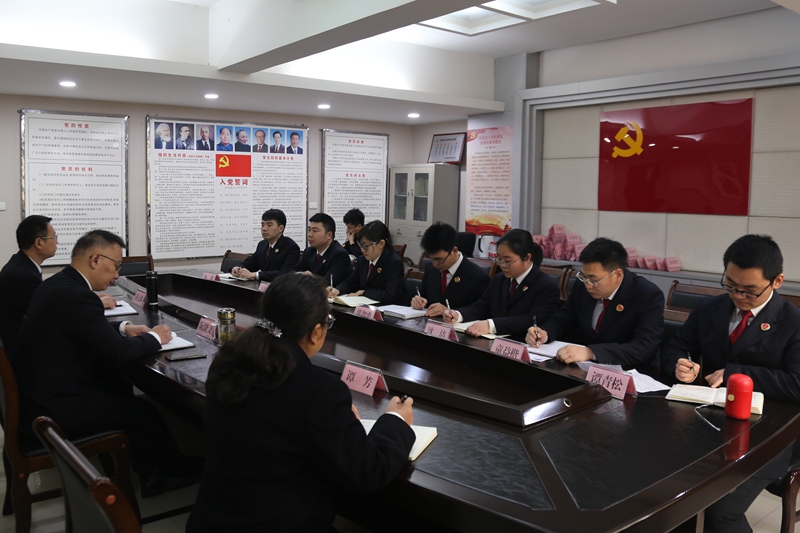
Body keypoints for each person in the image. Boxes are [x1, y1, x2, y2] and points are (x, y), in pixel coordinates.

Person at [185, 274, 414, 532]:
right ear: (316, 332)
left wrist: (336, 419)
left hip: (211, 521)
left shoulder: (229, 360)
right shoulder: (318, 390)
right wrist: (396, 419)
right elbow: (369, 472)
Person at [15, 230, 201, 497]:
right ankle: (161, 475)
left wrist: (124, 328)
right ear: (95, 259)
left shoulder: (58, 284)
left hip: (39, 394)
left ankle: (148, 463)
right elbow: (117, 352)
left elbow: (84, 330)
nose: (116, 276)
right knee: (141, 411)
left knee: (117, 384)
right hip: (54, 408)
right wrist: (154, 337)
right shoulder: (77, 295)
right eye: (115, 266)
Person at [661, 234, 800, 533]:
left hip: (769, 434)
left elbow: (797, 384)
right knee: (665, 488)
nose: (738, 296)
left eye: (750, 290)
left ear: (777, 281)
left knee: (720, 511)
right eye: (731, 285)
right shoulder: (709, 308)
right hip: (706, 424)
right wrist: (680, 364)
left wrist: (735, 373)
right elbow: (676, 346)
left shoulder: (793, 322)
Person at [525, 238, 664, 365]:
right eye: (583, 277)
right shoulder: (583, 285)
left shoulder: (647, 295)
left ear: (617, 275)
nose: (588, 285)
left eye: (594, 280)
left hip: (629, 371)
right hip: (585, 368)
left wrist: (591, 352)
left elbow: (645, 347)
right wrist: (544, 333)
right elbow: (563, 320)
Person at [444, 229, 559, 338]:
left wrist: (491, 325)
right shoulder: (499, 279)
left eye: (508, 261)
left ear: (527, 257)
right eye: (499, 259)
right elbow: (482, 306)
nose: (503, 265)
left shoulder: (545, 286)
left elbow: (532, 320)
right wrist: (458, 315)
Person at [0, 215, 58, 359]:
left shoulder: (22, 265)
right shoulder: (21, 275)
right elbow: (50, 312)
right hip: (26, 354)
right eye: (54, 237)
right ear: (39, 243)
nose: (57, 241)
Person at [411, 222, 489, 316]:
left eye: (439, 260)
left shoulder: (477, 276)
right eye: (431, 259)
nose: (435, 264)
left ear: (454, 251)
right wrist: (419, 301)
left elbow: (480, 310)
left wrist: (451, 311)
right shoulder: (430, 268)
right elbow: (424, 295)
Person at [329, 220, 404, 304]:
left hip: (388, 308)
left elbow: (390, 295)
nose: (362, 250)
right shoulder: (362, 260)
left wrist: (364, 292)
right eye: (361, 245)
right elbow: (350, 282)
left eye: (365, 246)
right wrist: (337, 290)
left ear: (381, 244)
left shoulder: (393, 263)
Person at [232, 209, 301, 282]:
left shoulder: (291, 247)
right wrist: (238, 268)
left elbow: (285, 274)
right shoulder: (262, 244)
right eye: (262, 225)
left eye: (269, 225)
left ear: (281, 228)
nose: (264, 229)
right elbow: (251, 263)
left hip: (280, 287)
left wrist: (255, 275)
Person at [294, 212, 353, 286]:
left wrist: (306, 278)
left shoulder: (339, 254)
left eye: (315, 231)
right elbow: (293, 271)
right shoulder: (309, 251)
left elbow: (328, 282)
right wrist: (300, 274)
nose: (309, 235)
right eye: (309, 230)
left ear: (329, 235)